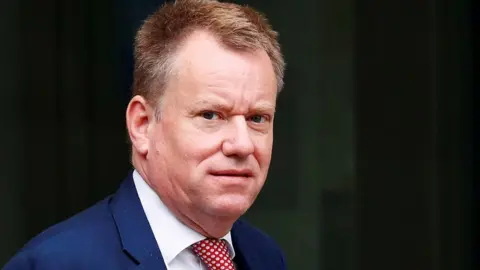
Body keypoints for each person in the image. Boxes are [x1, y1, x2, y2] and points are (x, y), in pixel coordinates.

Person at [3, 0, 286, 269]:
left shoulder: (264, 257)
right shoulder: (55, 264)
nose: (242, 144)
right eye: (210, 115)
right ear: (142, 125)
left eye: (257, 118)